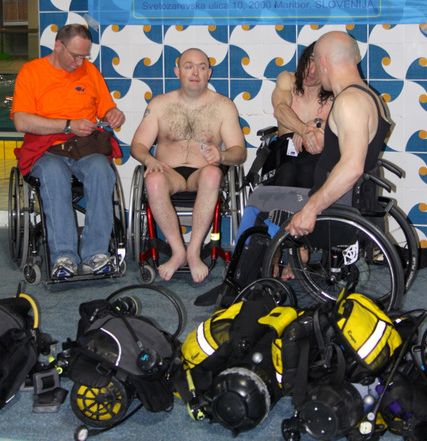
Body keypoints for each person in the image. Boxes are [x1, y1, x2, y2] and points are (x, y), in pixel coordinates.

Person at [195, 31, 391, 305]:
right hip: (343, 199)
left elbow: (352, 167)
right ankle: (253, 274)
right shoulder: (368, 97)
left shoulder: (349, 102)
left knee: (259, 201)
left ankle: (238, 283)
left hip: (333, 208)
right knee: (273, 189)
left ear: (323, 62)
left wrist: (309, 209)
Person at [11, 24, 126, 279]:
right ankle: (64, 256)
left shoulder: (90, 71)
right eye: (75, 56)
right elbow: (21, 121)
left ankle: (96, 254)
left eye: (84, 56)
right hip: (46, 150)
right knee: (53, 173)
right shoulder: (31, 72)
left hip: (84, 149)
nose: (79, 62)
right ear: (58, 45)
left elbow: (106, 108)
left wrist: (113, 113)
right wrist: (66, 125)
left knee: (101, 169)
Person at [130, 47, 247, 283]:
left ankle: (193, 250)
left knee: (213, 175)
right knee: (152, 180)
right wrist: (150, 159)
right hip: (167, 172)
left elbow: (239, 152)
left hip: (203, 172)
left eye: (202, 67)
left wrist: (222, 156)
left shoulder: (224, 106)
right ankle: (177, 251)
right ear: (177, 72)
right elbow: (138, 146)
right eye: (189, 66)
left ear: (209, 73)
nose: (195, 73)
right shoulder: (160, 104)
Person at [259, 41, 333, 188]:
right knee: (287, 172)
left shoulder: (335, 94)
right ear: (303, 58)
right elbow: (280, 109)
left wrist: (316, 123)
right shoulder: (287, 79)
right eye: (311, 60)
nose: (312, 71)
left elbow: (344, 127)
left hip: (317, 153)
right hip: (285, 149)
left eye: (319, 67)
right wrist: (304, 130)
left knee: (307, 171)